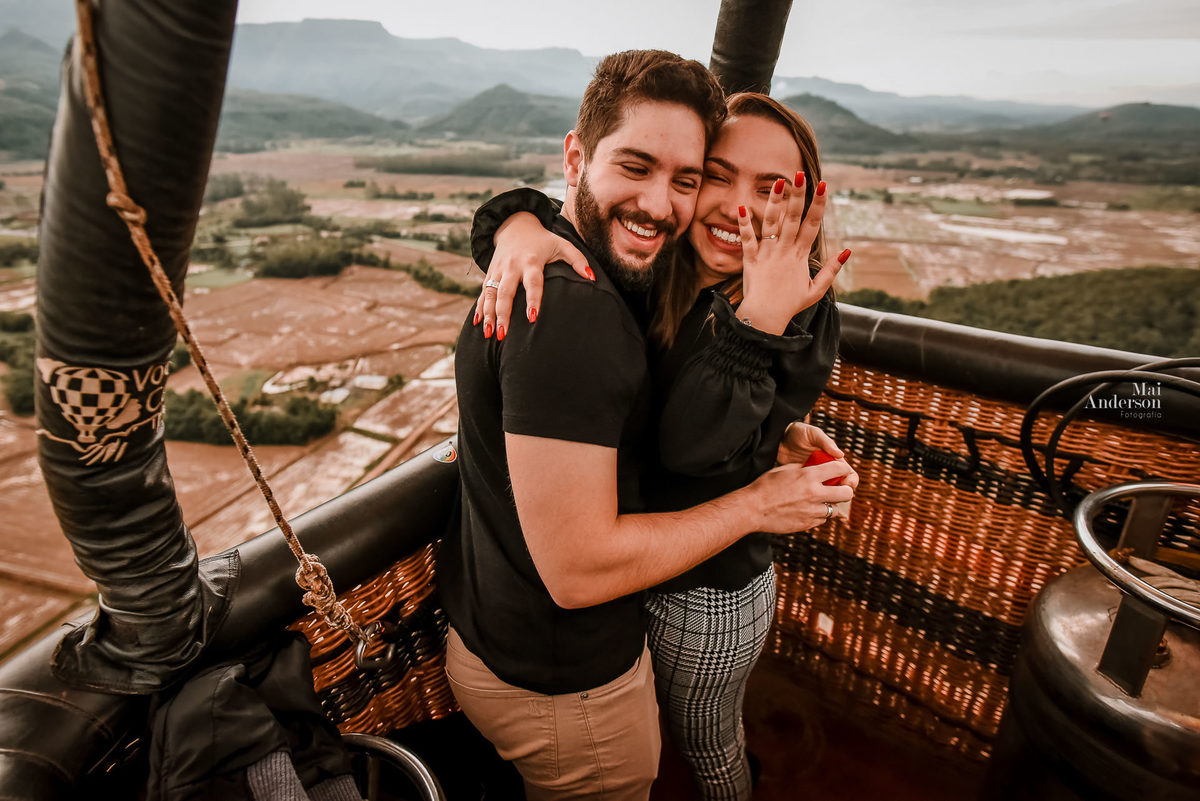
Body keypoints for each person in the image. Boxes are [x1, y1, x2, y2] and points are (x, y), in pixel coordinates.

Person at [440, 51, 856, 801]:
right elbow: (589, 223)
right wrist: (518, 226)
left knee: (706, 742)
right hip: (629, 577)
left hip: (708, 591)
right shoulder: (654, 266)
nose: (735, 205)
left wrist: (762, 333)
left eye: (771, 189)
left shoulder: (792, 307)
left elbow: (689, 445)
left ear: (803, 206)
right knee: (656, 739)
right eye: (718, 176)